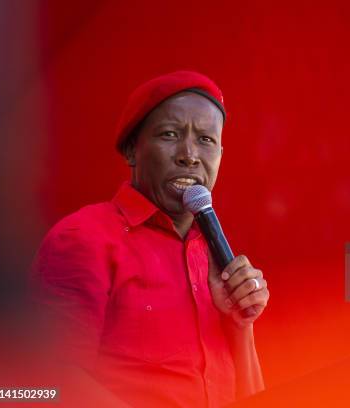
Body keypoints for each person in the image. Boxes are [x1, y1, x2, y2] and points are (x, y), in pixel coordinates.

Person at [31, 71, 269, 408]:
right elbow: (52, 381)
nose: (190, 154)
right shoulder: (83, 238)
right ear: (132, 150)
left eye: (206, 140)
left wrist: (240, 324)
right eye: (170, 134)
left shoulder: (215, 256)